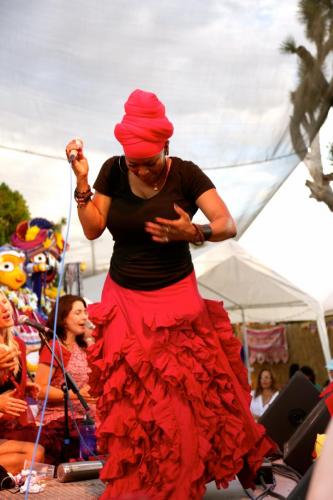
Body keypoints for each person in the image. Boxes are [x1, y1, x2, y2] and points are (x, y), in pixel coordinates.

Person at [66, 89, 275, 499]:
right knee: (132, 408)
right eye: (134, 164)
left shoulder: (186, 174)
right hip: (124, 298)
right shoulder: (112, 170)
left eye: (149, 163)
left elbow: (226, 223)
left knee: (180, 410)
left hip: (177, 300)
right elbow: (93, 228)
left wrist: (194, 232)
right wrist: (82, 182)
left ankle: (178, 488)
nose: (141, 171)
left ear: (166, 147)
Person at [35, 294, 96, 462]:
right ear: (63, 318)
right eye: (78, 312)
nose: (84, 316)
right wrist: (75, 395)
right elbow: (39, 389)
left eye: (85, 312)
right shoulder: (54, 348)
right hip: (60, 421)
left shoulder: (85, 348)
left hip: (86, 418)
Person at [0, 290, 44, 474]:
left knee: (37, 453)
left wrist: (25, 387)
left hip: (7, 424)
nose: (5, 308)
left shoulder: (18, 344)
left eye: (4, 301)